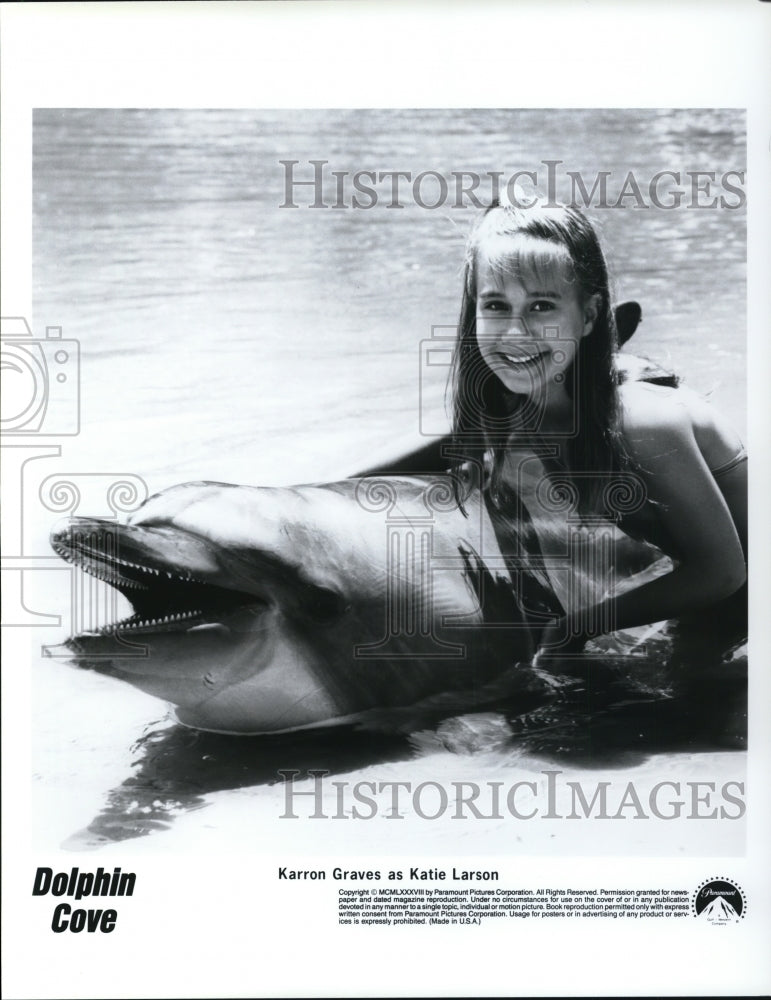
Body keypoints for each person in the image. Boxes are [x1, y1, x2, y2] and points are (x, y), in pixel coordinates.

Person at [449, 200, 747, 661]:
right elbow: (445, 451)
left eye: (541, 306)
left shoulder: (642, 421)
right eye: (495, 305)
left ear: (589, 316)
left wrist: (577, 629)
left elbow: (724, 572)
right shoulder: (513, 405)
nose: (514, 332)